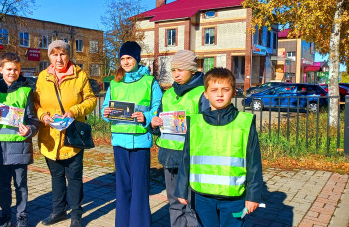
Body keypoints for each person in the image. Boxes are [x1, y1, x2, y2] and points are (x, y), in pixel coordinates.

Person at [176, 68, 263, 227]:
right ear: (206, 94)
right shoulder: (195, 123)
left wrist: (253, 195)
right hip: (202, 197)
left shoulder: (244, 123)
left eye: (225, 89)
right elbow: (186, 157)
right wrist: (181, 189)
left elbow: (254, 163)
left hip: (234, 199)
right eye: (214, 90)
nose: (220, 94)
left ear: (234, 92)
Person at [34, 40, 96, 227]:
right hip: (50, 137)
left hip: (73, 136)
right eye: (54, 54)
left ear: (69, 55)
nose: (59, 58)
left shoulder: (80, 75)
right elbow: (35, 103)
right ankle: (58, 211)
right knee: (56, 176)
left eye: (63, 54)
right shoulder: (43, 77)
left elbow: (91, 100)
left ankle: (77, 215)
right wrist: (42, 115)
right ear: (49, 56)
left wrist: (74, 111)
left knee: (75, 177)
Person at [101, 41, 162, 227]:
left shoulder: (150, 82)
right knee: (123, 188)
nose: (126, 62)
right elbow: (106, 107)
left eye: (129, 58)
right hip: (119, 141)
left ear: (137, 58)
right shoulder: (115, 83)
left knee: (139, 189)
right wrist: (106, 114)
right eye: (122, 59)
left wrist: (146, 116)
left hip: (140, 142)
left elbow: (158, 109)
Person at [0, 52, 39, 227]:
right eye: (8, 69)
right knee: (3, 186)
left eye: (16, 70)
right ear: (1, 69)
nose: (12, 73)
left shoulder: (26, 91)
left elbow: (33, 119)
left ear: (20, 71)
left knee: (21, 186)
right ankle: (5, 216)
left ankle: (21, 217)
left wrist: (29, 129)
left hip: (20, 146)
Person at [150, 50, 208, 227]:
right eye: (174, 70)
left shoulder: (202, 93)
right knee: (174, 202)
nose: (177, 74)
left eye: (181, 70)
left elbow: (207, 126)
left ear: (192, 70)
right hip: (169, 156)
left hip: (190, 158)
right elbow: (159, 124)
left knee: (190, 203)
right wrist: (154, 124)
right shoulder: (167, 94)